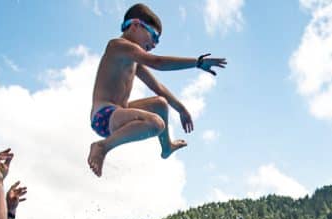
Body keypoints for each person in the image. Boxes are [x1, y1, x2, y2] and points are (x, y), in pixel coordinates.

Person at [87, 3, 227, 177]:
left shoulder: (133, 59)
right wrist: (197, 63)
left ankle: (166, 147)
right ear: (135, 25)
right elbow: (157, 62)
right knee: (156, 124)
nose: (154, 44)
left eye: (157, 41)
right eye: (153, 36)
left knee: (160, 104)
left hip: (118, 112)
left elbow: (158, 87)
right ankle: (102, 146)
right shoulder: (117, 46)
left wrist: (181, 109)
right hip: (104, 116)